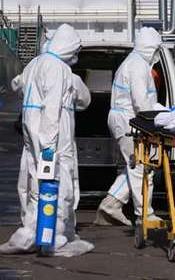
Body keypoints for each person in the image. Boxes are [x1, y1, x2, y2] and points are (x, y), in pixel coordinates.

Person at [0, 24, 94, 256]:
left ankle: (28, 236)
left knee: (33, 185)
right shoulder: (59, 69)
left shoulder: (35, 63)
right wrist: (50, 145)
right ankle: (56, 238)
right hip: (54, 138)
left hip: (31, 136)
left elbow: (16, 84)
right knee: (59, 185)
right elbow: (53, 109)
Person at [94, 27, 164, 226]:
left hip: (124, 119)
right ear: (151, 47)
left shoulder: (134, 62)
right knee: (141, 167)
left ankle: (111, 205)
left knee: (132, 165)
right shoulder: (139, 66)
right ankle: (145, 214)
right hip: (129, 121)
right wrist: (159, 120)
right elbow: (141, 102)